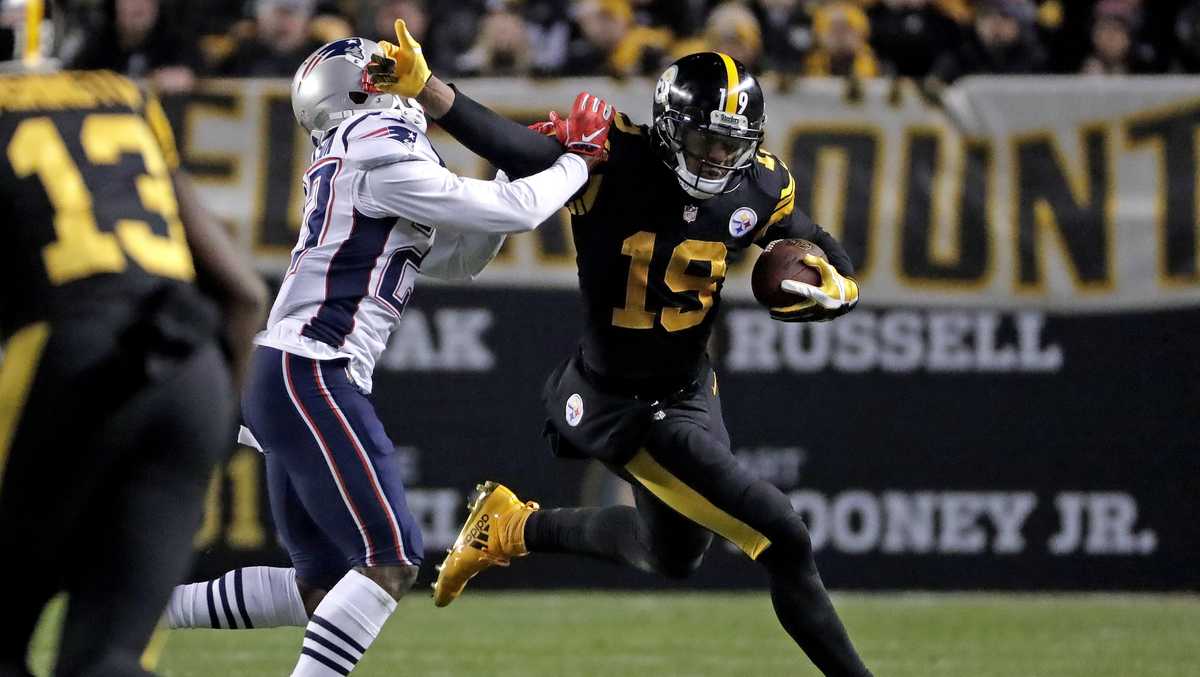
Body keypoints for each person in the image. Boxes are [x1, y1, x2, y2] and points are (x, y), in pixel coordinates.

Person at [368, 20, 872, 677]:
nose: (717, 159)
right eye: (703, 140)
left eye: (730, 146)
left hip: (691, 389)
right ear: (668, 129)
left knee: (672, 554)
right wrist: (432, 91)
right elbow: (516, 148)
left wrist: (838, 287)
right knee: (782, 535)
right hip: (624, 406)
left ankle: (514, 526)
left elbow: (821, 247)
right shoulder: (614, 160)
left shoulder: (759, 186)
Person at [162, 35, 610, 676]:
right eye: (389, 73)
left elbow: (459, 256)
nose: (407, 84)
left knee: (319, 588)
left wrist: (520, 171)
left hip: (291, 370)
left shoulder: (356, 157)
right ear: (365, 88)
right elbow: (515, 214)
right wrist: (577, 162)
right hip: (310, 368)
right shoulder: (377, 150)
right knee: (390, 559)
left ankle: (131, 601)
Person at [0, 3, 267, 675]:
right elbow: (244, 295)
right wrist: (203, 438)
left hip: (65, 358)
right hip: (191, 368)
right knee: (109, 655)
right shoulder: (124, 97)